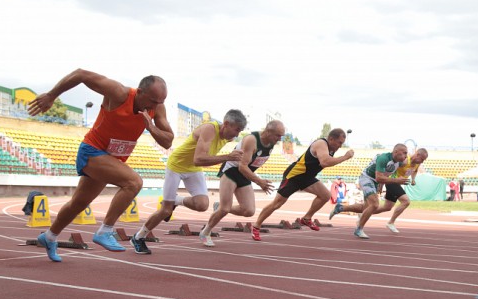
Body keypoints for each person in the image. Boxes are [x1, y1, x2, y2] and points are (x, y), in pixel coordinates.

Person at [28, 69, 174, 262]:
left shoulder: (157, 109)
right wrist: (52, 95)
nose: (156, 105)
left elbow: (168, 141)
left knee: (78, 204)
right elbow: (81, 74)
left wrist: (151, 126)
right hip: (92, 151)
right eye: (153, 100)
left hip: (111, 158)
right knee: (134, 183)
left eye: (161, 101)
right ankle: (105, 230)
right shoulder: (119, 93)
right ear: (139, 92)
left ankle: (49, 236)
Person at [131, 110, 247, 253]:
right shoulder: (209, 129)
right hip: (176, 166)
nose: (236, 135)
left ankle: (176, 200)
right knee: (165, 210)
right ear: (226, 124)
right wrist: (228, 157)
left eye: (240, 131)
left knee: (202, 204)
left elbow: (198, 162)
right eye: (236, 130)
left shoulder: (228, 138)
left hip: (192, 169)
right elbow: (198, 159)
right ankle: (138, 237)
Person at [251, 128, 354, 241]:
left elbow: (324, 163)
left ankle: (306, 218)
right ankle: (256, 226)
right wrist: (345, 157)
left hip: (307, 177)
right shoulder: (321, 144)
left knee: (325, 195)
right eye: (339, 142)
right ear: (331, 139)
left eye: (342, 144)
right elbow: (324, 162)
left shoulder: (331, 148)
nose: (340, 146)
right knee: (277, 204)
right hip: (294, 176)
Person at [198, 120, 285, 247]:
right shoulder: (251, 140)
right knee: (225, 208)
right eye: (278, 135)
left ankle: (220, 207)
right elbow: (242, 166)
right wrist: (259, 182)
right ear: (268, 132)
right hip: (232, 171)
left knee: (248, 211)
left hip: (245, 174)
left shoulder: (271, 144)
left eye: (281, 136)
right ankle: (205, 232)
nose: (279, 139)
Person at [330, 146, 428, 238]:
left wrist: (381, 184)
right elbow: (379, 176)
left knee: (368, 207)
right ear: (396, 152)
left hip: (377, 182)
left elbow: (386, 174)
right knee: (375, 204)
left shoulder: (400, 162)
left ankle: (341, 207)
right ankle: (359, 228)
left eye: (406, 154)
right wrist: (396, 180)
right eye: (404, 153)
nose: (406, 156)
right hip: (367, 178)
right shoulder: (384, 158)